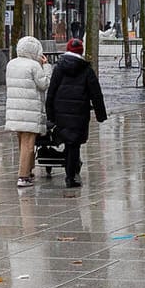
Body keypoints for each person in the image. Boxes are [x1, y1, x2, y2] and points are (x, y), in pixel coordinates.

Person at [44, 37, 108, 189]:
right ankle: (71, 176)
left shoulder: (58, 68)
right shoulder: (86, 70)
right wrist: (101, 115)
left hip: (61, 113)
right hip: (79, 113)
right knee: (74, 144)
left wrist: (50, 115)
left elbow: (51, 92)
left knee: (68, 142)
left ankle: (71, 172)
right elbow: (96, 94)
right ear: (82, 51)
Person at [4, 35, 51, 189]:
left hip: (15, 110)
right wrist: (47, 67)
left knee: (21, 142)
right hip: (30, 111)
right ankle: (23, 177)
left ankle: (28, 170)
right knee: (29, 144)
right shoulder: (34, 66)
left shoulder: (11, 64)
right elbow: (44, 84)